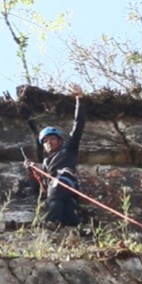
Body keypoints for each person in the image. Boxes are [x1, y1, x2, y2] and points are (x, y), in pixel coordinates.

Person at [24, 84, 85, 227]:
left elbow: (78, 125)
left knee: (56, 188)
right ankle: (75, 226)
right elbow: (42, 187)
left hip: (64, 182)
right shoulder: (46, 162)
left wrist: (79, 99)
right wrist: (32, 170)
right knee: (67, 215)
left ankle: (50, 221)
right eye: (45, 141)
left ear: (59, 140)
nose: (49, 142)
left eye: (52, 138)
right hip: (59, 193)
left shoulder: (68, 149)